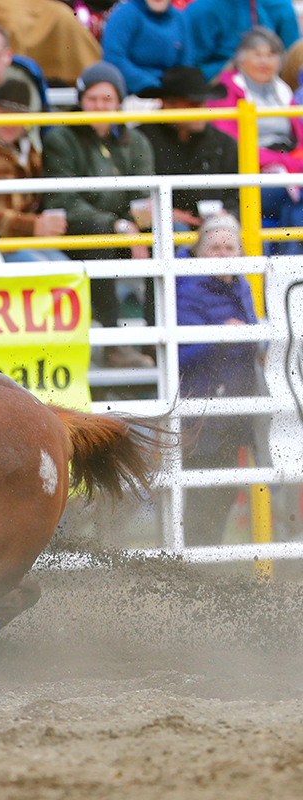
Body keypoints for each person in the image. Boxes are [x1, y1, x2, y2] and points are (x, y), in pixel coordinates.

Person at [41, 61, 156, 367]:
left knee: (163, 244)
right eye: (92, 99)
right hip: (82, 230)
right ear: (80, 101)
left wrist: (139, 227)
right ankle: (111, 342)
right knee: (100, 242)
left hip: (124, 228)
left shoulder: (136, 141)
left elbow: (142, 195)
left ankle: (156, 339)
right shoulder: (61, 139)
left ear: (119, 101)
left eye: (107, 99)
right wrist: (117, 225)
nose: (99, 106)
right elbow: (63, 199)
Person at [177, 214, 261, 545]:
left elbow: (252, 333)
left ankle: (205, 565)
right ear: (198, 251)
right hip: (201, 409)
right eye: (214, 247)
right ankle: (196, 565)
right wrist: (219, 336)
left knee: (223, 490)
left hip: (233, 406)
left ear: (239, 251)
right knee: (203, 493)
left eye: (229, 247)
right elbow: (177, 354)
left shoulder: (241, 285)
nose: (223, 254)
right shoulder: (187, 288)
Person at [206, 28, 303, 249]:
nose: (264, 61)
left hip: (288, 168)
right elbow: (232, 144)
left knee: (296, 206)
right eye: (257, 54)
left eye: (271, 54)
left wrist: (293, 163)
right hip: (253, 172)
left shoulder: (283, 90)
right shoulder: (225, 90)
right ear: (240, 59)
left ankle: (290, 274)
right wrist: (288, 163)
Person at [0, 78, 68, 262]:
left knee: (64, 266)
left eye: (18, 114)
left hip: (24, 241)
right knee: (50, 268)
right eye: (4, 112)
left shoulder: (27, 148)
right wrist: (33, 225)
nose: (11, 121)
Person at [137, 67, 239, 225]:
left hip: (216, 228)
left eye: (202, 104)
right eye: (192, 104)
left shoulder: (225, 144)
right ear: (167, 104)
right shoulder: (140, 140)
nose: (200, 111)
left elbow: (239, 196)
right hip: (161, 226)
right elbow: (135, 198)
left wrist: (226, 214)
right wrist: (165, 213)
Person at [185, 0, 298, 82]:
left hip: (270, 90)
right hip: (219, 94)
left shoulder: (280, 6)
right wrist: (235, 66)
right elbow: (189, 72)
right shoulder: (202, 10)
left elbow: (293, 63)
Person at [101, 0, 193, 98]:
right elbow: (114, 60)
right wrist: (153, 86)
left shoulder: (180, 19)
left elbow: (187, 62)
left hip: (172, 94)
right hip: (133, 95)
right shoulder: (123, 15)